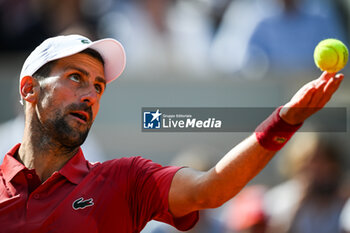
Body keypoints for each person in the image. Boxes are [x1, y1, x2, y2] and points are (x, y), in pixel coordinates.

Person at [0, 34, 343, 232]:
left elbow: (212, 188)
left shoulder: (125, 180)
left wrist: (286, 120)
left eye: (99, 86)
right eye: (76, 77)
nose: (90, 94)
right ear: (30, 89)